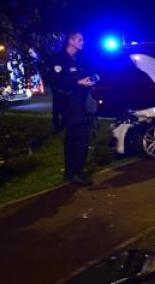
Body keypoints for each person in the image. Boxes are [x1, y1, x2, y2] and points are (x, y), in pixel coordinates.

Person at [51, 31, 96, 186]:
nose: (82, 42)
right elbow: (57, 82)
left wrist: (90, 80)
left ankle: (72, 172)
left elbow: (85, 75)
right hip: (68, 105)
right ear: (71, 41)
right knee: (80, 137)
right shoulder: (59, 59)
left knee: (75, 138)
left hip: (80, 104)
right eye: (80, 39)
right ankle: (75, 172)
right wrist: (78, 83)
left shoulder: (78, 60)